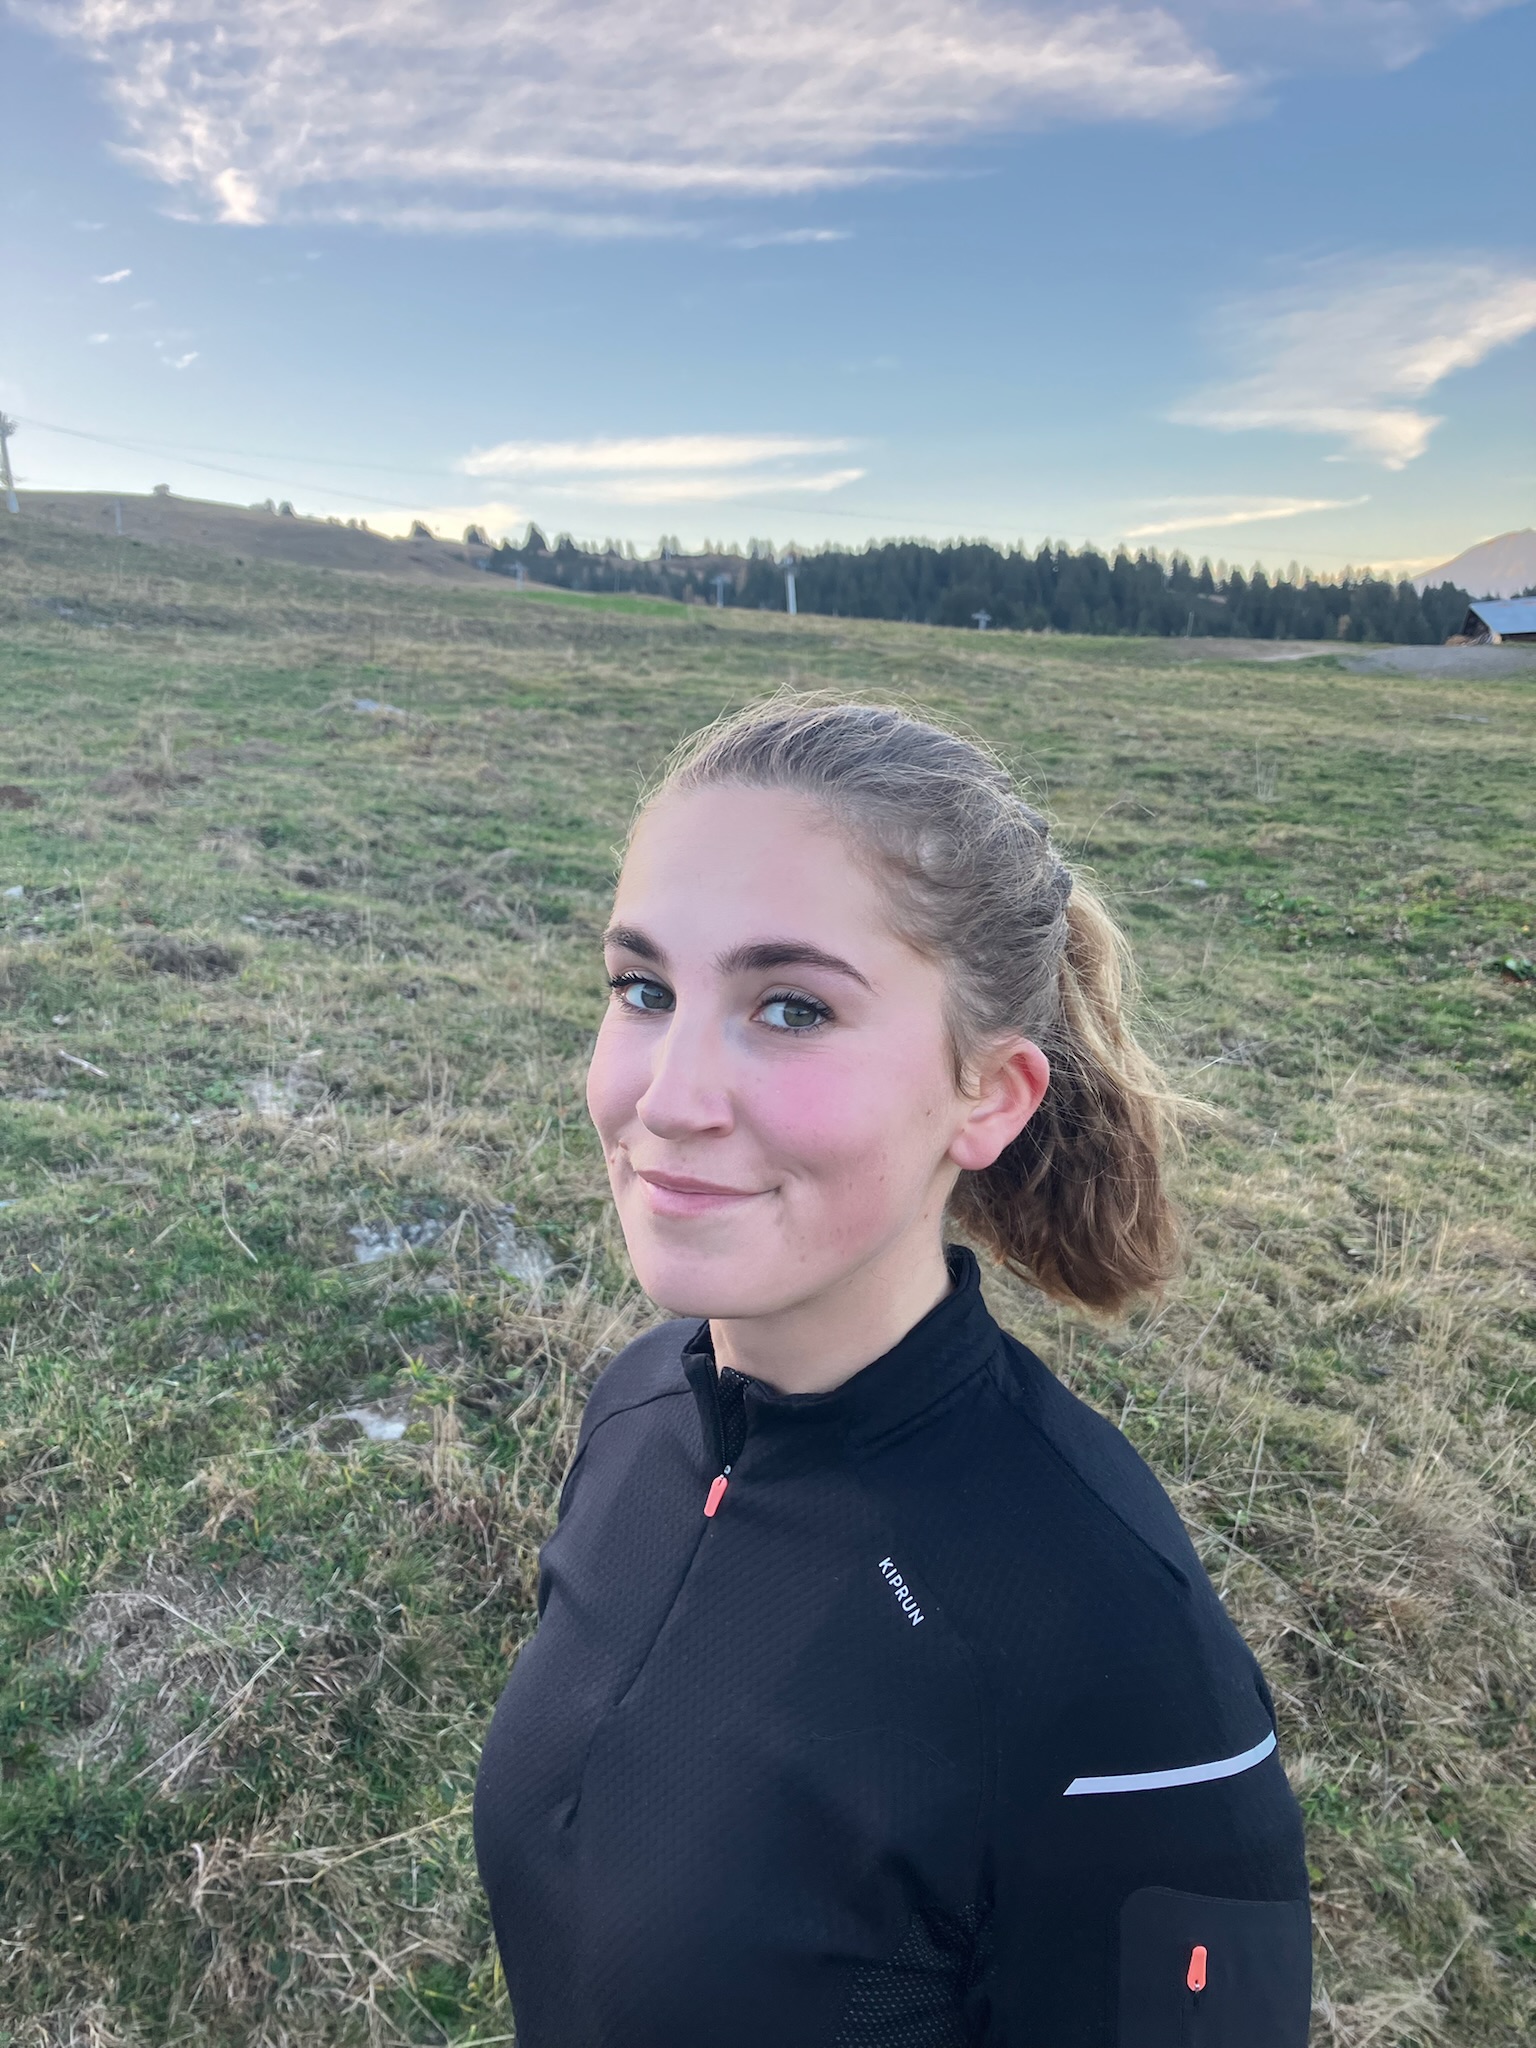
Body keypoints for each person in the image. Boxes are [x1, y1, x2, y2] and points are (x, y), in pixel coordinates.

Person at [474, 699, 1311, 2047]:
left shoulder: (1114, 1645)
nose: (667, 1096)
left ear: (990, 1096)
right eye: (644, 989)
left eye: (791, 1008)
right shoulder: (640, 1408)